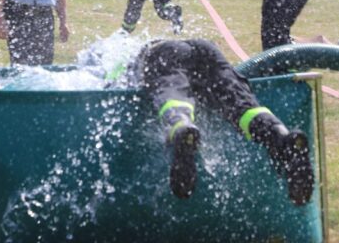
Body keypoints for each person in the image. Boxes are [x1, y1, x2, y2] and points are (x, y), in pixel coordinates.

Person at [123, 38, 314, 205]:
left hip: (164, 52)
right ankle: (281, 135)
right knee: (241, 105)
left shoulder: (132, 61)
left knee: (172, 93)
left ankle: (182, 126)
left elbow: (110, 88)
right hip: (207, 50)